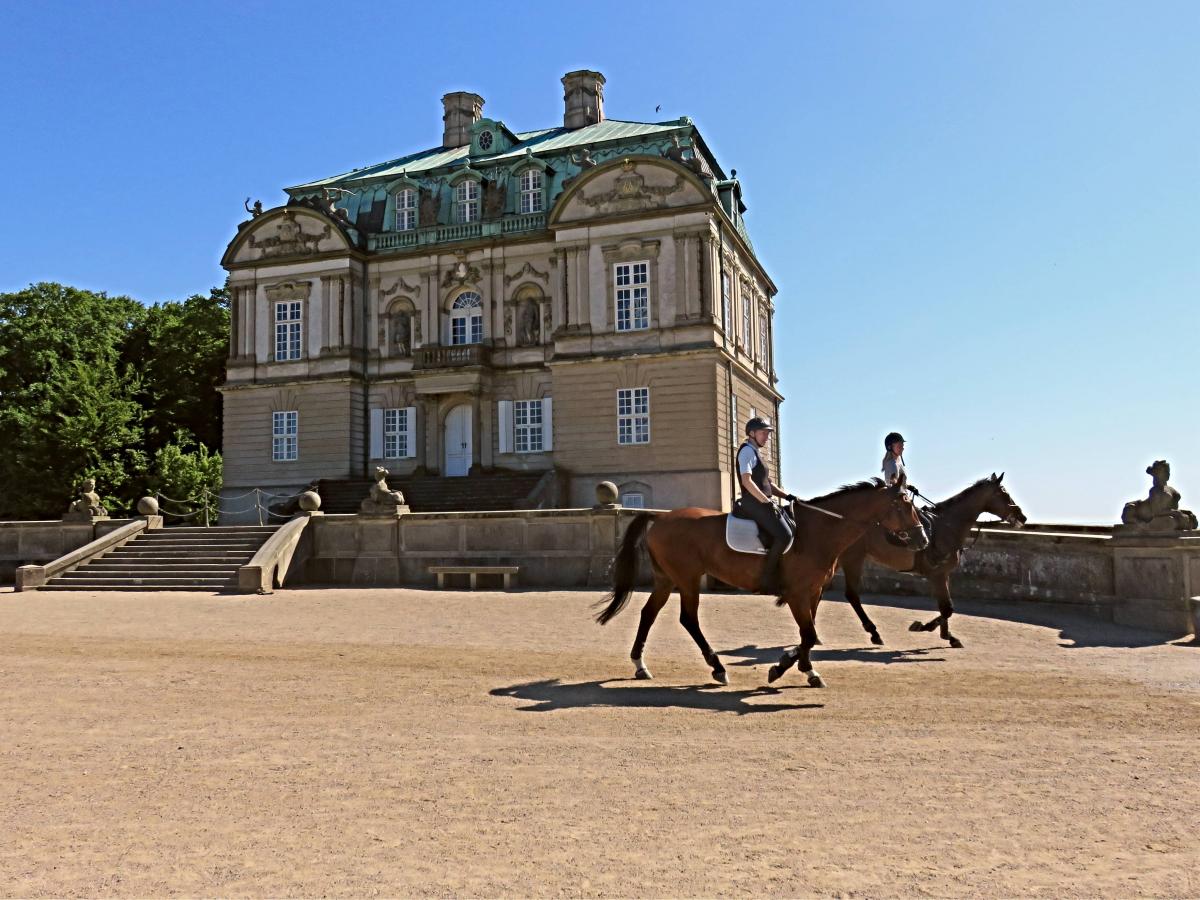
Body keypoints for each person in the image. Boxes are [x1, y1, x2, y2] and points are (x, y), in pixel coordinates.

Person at [737, 417, 797, 594]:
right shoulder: (746, 452)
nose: (767, 437)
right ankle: (767, 580)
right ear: (752, 433)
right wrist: (766, 500)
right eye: (764, 433)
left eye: (768, 434)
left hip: (763, 502)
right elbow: (747, 481)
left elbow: (768, 483)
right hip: (753, 503)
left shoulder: (756, 453)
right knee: (785, 535)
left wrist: (788, 496)